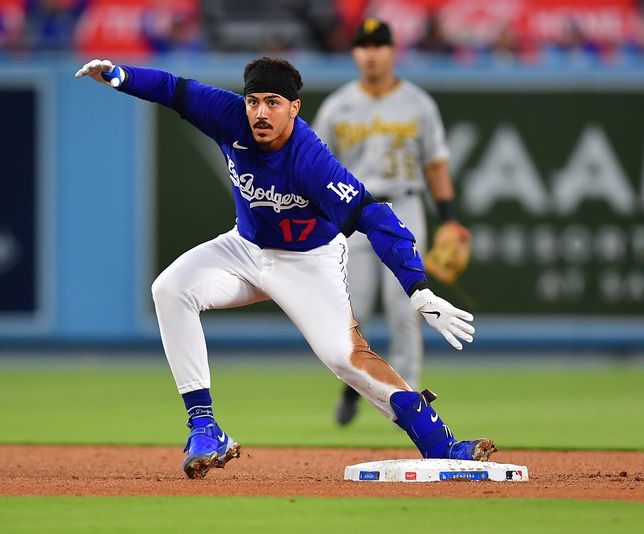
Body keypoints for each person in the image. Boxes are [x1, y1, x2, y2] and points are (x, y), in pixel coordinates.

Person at [74, 56, 496, 479]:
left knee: (342, 357)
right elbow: (172, 88)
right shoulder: (229, 115)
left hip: (307, 261)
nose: (260, 112)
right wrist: (119, 75)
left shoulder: (309, 161)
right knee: (169, 289)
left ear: (294, 107)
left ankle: (440, 442)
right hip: (245, 247)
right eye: (254, 101)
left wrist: (417, 287)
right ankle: (204, 426)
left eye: (273, 102)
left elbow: (374, 216)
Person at [312, 19, 470, 426]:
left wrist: (449, 220)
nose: (370, 53)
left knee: (406, 310)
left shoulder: (417, 104)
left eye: (378, 45)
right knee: (354, 308)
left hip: (404, 205)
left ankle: (413, 402)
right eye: (363, 45)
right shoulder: (337, 105)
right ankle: (354, 384)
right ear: (355, 53)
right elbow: (311, 166)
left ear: (392, 51)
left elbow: (436, 165)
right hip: (353, 214)